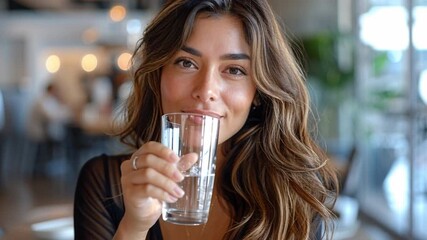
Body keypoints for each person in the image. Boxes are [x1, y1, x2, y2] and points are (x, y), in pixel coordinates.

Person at [73, 0, 339, 239]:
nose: (206, 90)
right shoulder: (104, 183)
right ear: (159, 75)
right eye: (186, 63)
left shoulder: (292, 193)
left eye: (234, 70)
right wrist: (135, 225)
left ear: (258, 92)